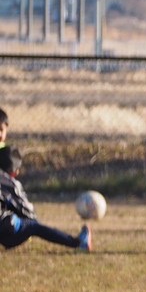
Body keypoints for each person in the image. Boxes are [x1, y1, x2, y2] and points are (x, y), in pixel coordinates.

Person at [0, 108, 91, 253]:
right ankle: (77, 243)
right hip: (6, 227)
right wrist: (28, 221)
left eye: (1, 129)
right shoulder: (9, 182)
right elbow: (23, 205)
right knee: (34, 226)